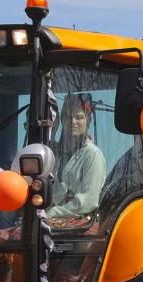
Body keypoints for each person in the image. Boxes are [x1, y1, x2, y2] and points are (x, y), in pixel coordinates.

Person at [46, 93, 106, 221]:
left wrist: (52, 213)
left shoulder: (92, 155)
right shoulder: (55, 154)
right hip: (50, 220)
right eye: (68, 117)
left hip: (78, 223)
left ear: (88, 120)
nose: (73, 122)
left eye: (79, 117)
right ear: (62, 120)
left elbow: (87, 201)